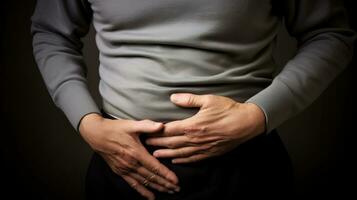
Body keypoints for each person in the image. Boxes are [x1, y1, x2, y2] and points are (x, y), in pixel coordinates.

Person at [31, 0, 355, 199]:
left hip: (245, 167)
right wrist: (87, 123)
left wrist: (259, 115)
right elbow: (51, 32)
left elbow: (330, 33)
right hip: (123, 165)